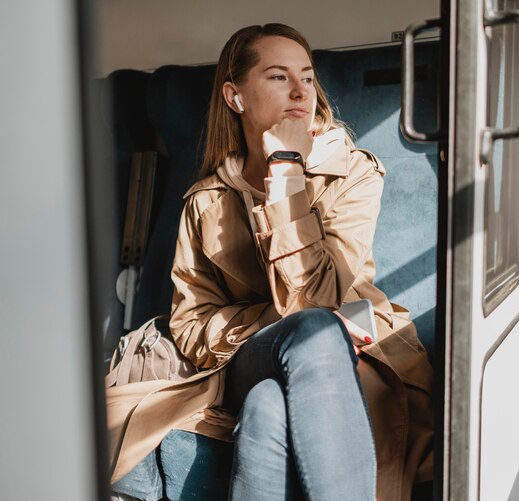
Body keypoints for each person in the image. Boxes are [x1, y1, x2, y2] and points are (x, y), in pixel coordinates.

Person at [108, 23, 433, 501]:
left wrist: (287, 172)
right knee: (311, 331)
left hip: (352, 351)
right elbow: (192, 323)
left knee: (268, 403)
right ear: (235, 97)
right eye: (279, 77)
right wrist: (268, 324)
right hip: (251, 354)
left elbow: (316, 298)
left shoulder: (354, 172)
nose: (302, 91)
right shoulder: (205, 200)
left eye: (307, 75)